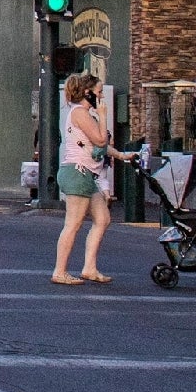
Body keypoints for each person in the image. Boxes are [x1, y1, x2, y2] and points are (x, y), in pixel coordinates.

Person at [52, 72, 122, 285]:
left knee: (103, 219)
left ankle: (89, 268)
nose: (101, 96)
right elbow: (100, 139)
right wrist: (103, 115)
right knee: (72, 224)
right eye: (99, 92)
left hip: (85, 175)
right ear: (87, 92)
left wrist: (121, 155)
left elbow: (97, 146)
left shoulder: (83, 114)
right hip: (78, 173)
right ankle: (60, 271)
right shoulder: (80, 113)